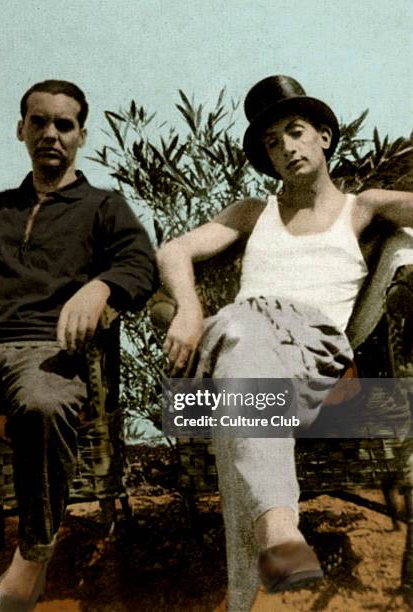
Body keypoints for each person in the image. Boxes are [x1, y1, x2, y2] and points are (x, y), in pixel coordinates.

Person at [157, 75, 413, 611]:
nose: (286, 148)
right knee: (240, 354)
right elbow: (174, 252)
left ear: (324, 135)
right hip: (246, 344)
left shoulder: (361, 208)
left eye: (295, 133)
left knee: (236, 364)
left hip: (317, 356)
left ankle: (255, 566)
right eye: (272, 142)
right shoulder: (253, 213)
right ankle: (276, 536)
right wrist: (188, 306)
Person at [0, 80, 157, 611]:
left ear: (80, 135)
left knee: (44, 405)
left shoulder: (103, 206)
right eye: (39, 122)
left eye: (63, 124)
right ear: (21, 130)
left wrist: (102, 285)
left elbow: (140, 266)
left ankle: (30, 560)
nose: (50, 134)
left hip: (48, 348)